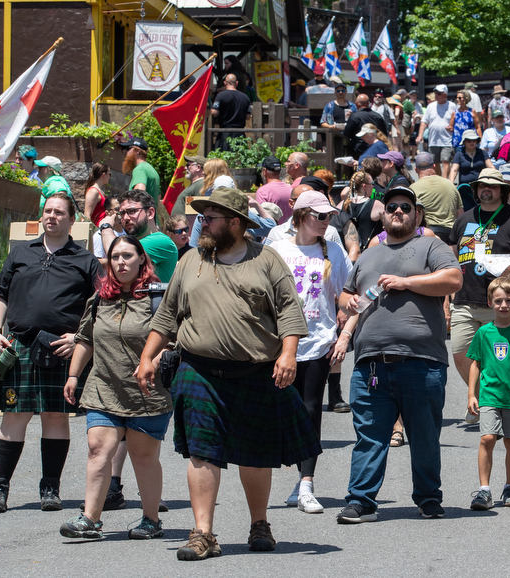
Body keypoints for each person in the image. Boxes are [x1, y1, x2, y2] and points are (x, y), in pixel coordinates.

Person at [135, 187, 317, 560]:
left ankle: (259, 524)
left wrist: (288, 355)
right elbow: (167, 315)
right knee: (201, 452)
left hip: (255, 371)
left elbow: (289, 312)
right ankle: (203, 533)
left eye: (210, 218)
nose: (202, 223)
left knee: (254, 454)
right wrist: (146, 357)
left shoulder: (266, 260)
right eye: (202, 217)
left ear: (235, 223)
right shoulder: (190, 261)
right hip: (199, 369)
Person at [336, 186, 462, 523]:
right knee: (369, 436)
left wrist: (406, 283)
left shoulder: (430, 246)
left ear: (417, 214)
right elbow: (348, 296)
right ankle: (361, 501)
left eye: (405, 207)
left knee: (424, 435)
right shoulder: (368, 254)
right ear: (384, 213)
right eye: (392, 206)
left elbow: (453, 279)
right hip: (370, 362)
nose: (398, 212)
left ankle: (428, 498)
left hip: (421, 360)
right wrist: (347, 304)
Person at [0, 194, 103, 514]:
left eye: (59, 212)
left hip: (59, 348)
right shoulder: (21, 253)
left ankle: (50, 488)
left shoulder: (85, 260)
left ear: (72, 220)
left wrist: (79, 336)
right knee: (13, 417)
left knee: (55, 417)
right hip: (18, 346)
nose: (51, 216)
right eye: (48, 211)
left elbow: (101, 303)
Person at [59, 236, 171, 540]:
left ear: (141, 260)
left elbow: (175, 339)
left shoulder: (158, 298)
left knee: (143, 456)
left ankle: (151, 520)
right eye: (115, 257)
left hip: (146, 391)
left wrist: (156, 359)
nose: (121, 263)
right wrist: (73, 376)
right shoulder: (99, 299)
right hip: (103, 387)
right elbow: (85, 339)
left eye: (127, 256)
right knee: (98, 450)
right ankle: (90, 519)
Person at [270, 190, 355, 514]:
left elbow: (348, 294)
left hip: (318, 342)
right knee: (278, 413)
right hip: (279, 345)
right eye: (320, 216)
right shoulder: (278, 249)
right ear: (301, 216)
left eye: (329, 216)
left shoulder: (333, 250)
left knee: (310, 411)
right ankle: (274, 478)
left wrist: (347, 325)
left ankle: (306, 484)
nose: (326, 221)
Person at [449, 169, 510, 404]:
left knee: (501, 358)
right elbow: (451, 257)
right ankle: (479, 398)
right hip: (464, 299)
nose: (486, 189)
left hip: (501, 301)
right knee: (460, 354)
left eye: (493, 186)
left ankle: (497, 403)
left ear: (502, 191)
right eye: (482, 186)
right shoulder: (464, 219)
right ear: (476, 190)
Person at [466, 275, 510, 511]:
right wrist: (471, 394)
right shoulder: (484, 333)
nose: (503, 305)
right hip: (489, 395)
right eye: (498, 301)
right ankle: (484, 490)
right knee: (487, 438)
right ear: (489, 303)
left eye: (508, 300)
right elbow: (475, 363)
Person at [100, 190, 178, 284]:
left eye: (132, 211)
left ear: (150, 213)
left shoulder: (160, 241)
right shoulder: (134, 242)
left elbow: (115, 252)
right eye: (122, 213)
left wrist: (106, 227)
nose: (125, 218)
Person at [411, 152, 464, 244]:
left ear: (416, 170)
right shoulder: (450, 185)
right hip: (450, 235)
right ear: (434, 166)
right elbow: (460, 216)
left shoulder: (413, 188)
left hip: (426, 235)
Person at [419, 84, 457, 177]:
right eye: (436, 93)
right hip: (433, 140)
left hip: (447, 139)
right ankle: (440, 180)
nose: (436, 95)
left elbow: (457, 121)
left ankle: (445, 181)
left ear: (445, 95)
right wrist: (420, 135)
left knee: (445, 161)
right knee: (435, 163)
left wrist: (453, 127)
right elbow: (424, 122)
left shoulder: (452, 106)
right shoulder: (430, 106)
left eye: (439, 93)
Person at [344, 171, 385, 250]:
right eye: (372, 183)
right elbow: (389, 227)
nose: (373, 186)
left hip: (348, 254)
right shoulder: (376, 205)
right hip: (371, 253)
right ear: (364, 186)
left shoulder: (343, 205)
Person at [211, 74, 251, 151]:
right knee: (239, 158)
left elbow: (214, 113)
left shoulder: (220, 96)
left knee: (224, 157)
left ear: (225, 83)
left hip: (224, 132)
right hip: (240, 133)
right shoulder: (245, 97)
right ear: (236, 83)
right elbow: (248, 117)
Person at [119, 137, 161, 205]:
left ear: (137, 151)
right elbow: (158, 197)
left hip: (140, 215)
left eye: (128, 148)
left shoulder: (140, 169)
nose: (125, 152)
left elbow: (139, 195)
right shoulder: (152, 170)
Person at [255, 156, 293, 221]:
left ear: (265, 171)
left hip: (272, 230)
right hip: (290, 229)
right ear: (279, 171)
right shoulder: (291, 189)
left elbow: (262, 217)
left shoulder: (262, 191)